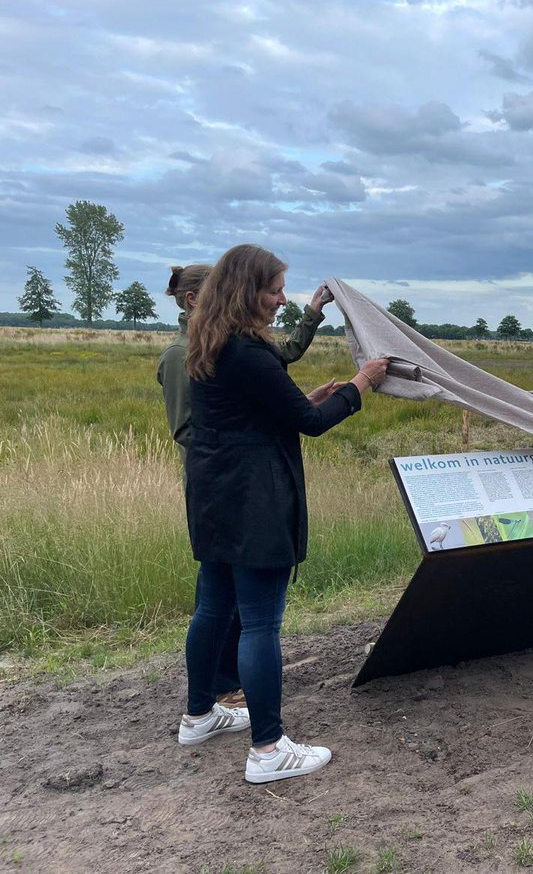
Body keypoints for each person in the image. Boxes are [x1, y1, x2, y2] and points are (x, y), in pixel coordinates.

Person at [179, 244, 389, 784]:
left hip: (214, 500)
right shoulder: (247, 352)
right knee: (261, 623)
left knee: (213, 608)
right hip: (255, 505)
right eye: (274, 290)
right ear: (247, 291)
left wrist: (309, 397)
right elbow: (310, 424)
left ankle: (199, 715)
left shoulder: (208, 342)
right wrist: (361, 383)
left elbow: (265, 411)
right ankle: (269, 749)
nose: (280, 300)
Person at [157, 265, 334, 708]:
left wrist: (312, 314)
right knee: (249, 617)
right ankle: (256, 727)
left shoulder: (227, 344)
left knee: (225, 606)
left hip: (228, 487)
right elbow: (189, 431)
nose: (280, 299)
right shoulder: (186, 353)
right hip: (230, 489)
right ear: (197, 298)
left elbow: (277, 360)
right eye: (273, 291)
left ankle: (210, 701)